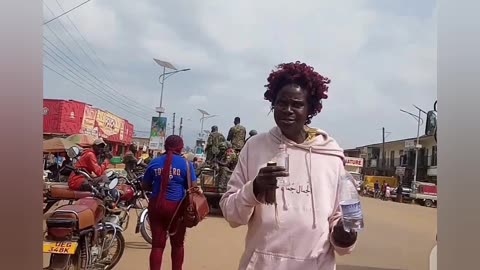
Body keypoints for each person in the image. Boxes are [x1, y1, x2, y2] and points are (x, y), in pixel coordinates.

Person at [220, 61, 357, 270]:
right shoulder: (255, 147)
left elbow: (348, 219)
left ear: (311, 108)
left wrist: (345, 236)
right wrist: (254, 189)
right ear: (272, 103)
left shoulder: (331, 154)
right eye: (281, 103)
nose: (288, 110)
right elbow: (231, 214)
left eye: (297, 104)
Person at [142, 135, 197, 270]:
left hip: (156, 206)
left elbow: (145, 185)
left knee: (157, 246)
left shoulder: (154, 162)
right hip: (177, 209)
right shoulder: (186, 164)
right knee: (177, 245)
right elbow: (192, 187)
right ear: (180, 147)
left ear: (165, 146)